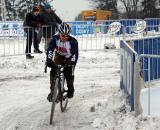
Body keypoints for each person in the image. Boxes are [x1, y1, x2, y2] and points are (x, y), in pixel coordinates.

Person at [46, 23, 78, 102]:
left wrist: (71, 64)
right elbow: (50, 50)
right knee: (53, 71)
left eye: (67, 36)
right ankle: (52, 92)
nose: (65, 37)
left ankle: (71, 89)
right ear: (59, 33)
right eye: (63, 35)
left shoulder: (73, 42)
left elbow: (75, 55)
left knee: (68, 73)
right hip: (59, 55)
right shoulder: (55, 39)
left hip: (69, 58)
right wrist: (49, 60)